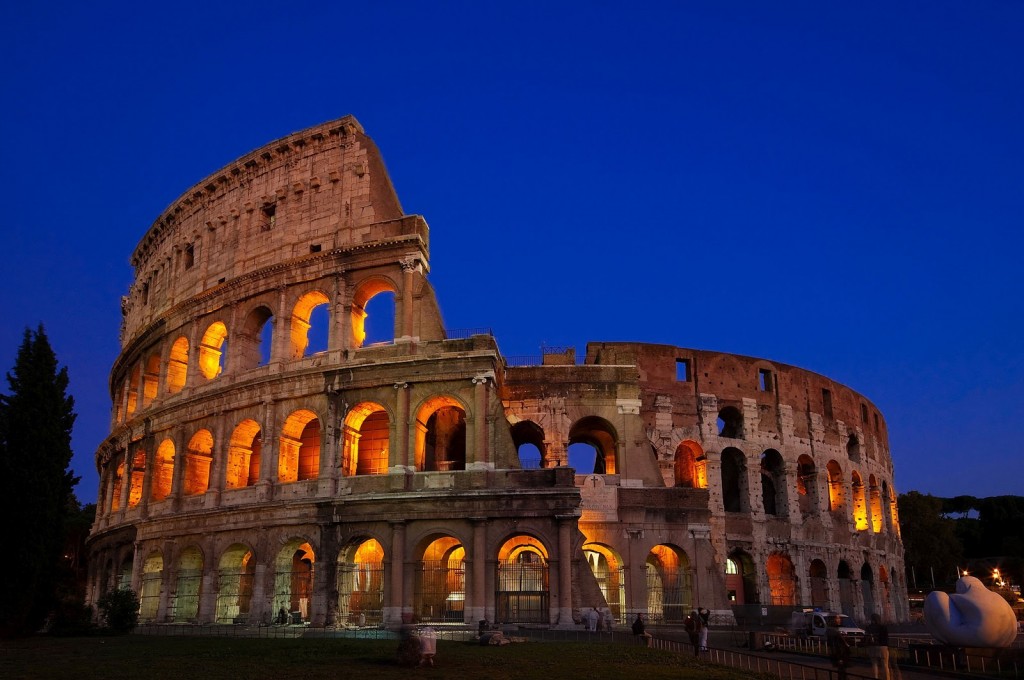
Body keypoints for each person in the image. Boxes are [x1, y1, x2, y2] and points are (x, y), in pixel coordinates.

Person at [865, 613, 890, 680]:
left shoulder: (868, 627)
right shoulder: (883, 627)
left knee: (874, 664)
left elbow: (866, 637)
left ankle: (875, 677)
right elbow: (886, 638)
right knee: (885, 665)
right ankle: (887, 678)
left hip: (872, 647)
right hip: (882, 647)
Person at [826, 614, 851, 680]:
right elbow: (833, 643)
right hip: (838, 652)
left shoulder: (838, 628)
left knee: (842, 669)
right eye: (837, 618)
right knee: (841, 668)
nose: (839, 620)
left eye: (839, 618)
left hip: (843, 652)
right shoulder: (832, 630)